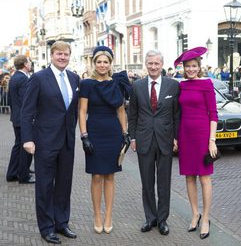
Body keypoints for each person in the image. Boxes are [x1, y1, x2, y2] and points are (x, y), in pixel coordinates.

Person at [21, 41, 80, 244]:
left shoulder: (74, 78)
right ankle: (47, 227)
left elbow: (72, 111)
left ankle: (61, 223)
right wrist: (27, 139)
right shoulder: (38, 78)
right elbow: (26, 111)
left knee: (64, 184)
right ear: (51, 55)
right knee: (45, 186)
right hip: (44, 141)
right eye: (58, 54)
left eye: (65, 54)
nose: (62, 57)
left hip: (66, 141)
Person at [79, 46, 130, 234]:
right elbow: (82, 111)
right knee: (97, 176)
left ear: (110, 64)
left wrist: (125, 133)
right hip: (94, 131)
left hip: (113, 132)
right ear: (94, 63)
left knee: (110, 175)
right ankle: (97, 215)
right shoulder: (86, 84)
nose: (102, 65)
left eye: (105, 62)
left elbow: (121, 110)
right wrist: (84, 136)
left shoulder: (117, 83)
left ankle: (108, 215)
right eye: (99, 61)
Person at [128, 50, 180, 235]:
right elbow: (132, 114)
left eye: (156, 63)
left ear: (162, 64)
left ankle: (163, 220)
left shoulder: (173, 86)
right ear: (145, 64)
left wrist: (176, 138)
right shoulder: (137, 86)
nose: (153, 67)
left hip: (165, 140)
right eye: (150, 63)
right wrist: (132, 137)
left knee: (164, 182)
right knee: (147, 182)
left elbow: (176, 115)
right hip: (144, 140)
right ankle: (150, 218)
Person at [174, 47, 218, 240]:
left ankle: (206, 218)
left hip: (202, 136)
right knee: (189, 177)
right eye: (187, 66)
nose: (190, 69)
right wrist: (176, 137)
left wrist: (212, 140)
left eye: (194, 66)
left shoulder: (206, 84)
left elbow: (213, 114)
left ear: (199, 67)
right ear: (183, 68)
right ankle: (195, 214)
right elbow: (178, 113)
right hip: (185, 135)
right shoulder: (181, 85)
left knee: (204, 178)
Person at [6, 55, 34, 183]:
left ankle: (12, 173)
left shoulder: (14, 77)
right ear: (24, 64)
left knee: (18, 145)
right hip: (24, 118)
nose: (30, 64)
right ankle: (23, 175)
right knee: (26, 146)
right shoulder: (23, 79)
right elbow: (26, 101)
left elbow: (11, 100)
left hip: (16, 117)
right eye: (29, 62)